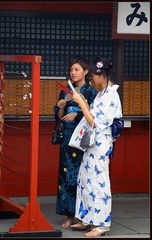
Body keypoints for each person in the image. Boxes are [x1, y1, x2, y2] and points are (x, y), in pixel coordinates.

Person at [70, 57, 122, 237]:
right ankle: (87, 218)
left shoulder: (111, 95)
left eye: (94, 75)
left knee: (99, 182)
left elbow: (95, 122)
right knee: (85, 179)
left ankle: (101, 224)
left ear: (104, 75)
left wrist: (82, 103)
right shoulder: (101, 93)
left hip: (101, 143)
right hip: (92, 143)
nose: (92, 78)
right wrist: (84, 102)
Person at [54, 57, 97, 229]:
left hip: (82, 142)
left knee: (83, 178)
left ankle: (83, 216)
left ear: (86, 72)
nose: (73, 72)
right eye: (71, 69)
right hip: (67, 141)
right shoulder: (65, 90)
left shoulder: (90, 91)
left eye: (77, 69)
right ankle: (69, 215)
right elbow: (58, 117)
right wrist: (62, 107)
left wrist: (77, 114)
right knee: (66, 177)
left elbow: (94, 117)